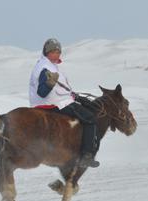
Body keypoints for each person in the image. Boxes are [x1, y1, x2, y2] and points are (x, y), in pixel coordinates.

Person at [29, 38, 100, 168]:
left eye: (58, 52)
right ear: (47, 52)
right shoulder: (45, 68)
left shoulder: (50, 66)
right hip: (51, 104)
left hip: (56, 100)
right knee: (90, 118)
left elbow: (58, 88)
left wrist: (73, 96)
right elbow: (42, 92)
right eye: (54, 52)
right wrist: (50, 83)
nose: (57, 54)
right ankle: (86, 155)